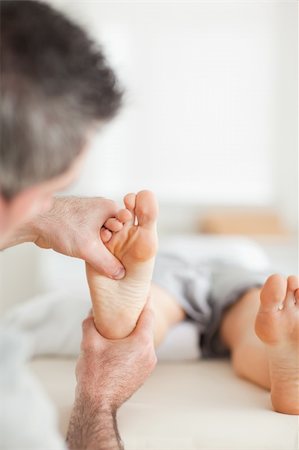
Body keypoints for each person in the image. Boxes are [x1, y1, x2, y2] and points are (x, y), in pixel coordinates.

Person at [0, 1, 156, 449]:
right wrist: (98, 397)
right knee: (177, 305)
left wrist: (42, 218)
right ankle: (127, 321)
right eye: (53, 190)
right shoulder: (9, 408)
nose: (54, 202)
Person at [86, 190, 299, 416]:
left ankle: (126, 325)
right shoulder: (243, 248)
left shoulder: (178, 245)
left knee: (157, 301)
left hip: (171, 265)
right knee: (248, 315)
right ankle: (277, 364)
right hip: (235, 275)